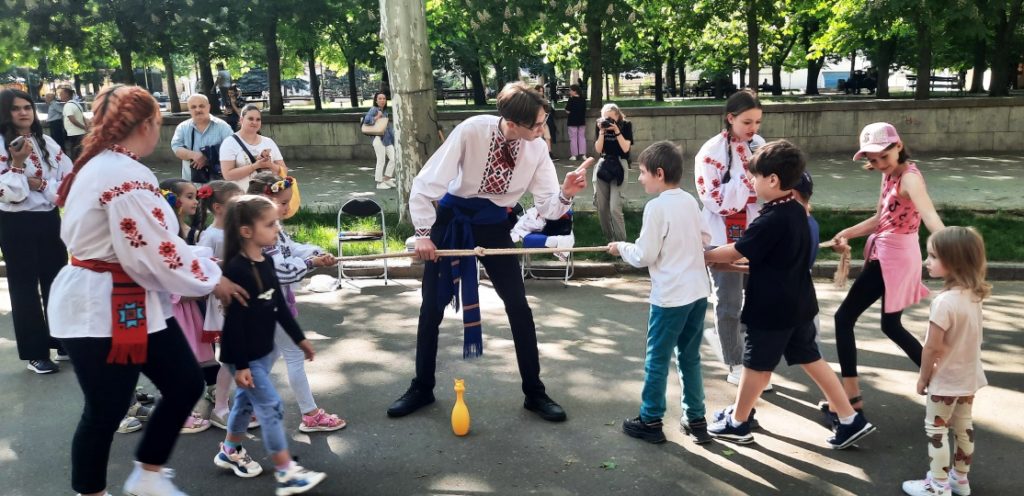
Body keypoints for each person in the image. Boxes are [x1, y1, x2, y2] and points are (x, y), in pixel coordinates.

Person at [46, 84, 246, 496]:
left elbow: (152, 248)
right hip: (101, 307)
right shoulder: (125, 175)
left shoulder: (105, 165)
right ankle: (98, 490)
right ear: (148, 124)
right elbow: (153, 252)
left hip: (128, 300)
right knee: (106, 409)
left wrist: (205, 267)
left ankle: (149, 476)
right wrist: (213, 275)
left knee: (183, 384)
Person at [387, 82, 591, 422]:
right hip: (453, 221)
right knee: (432, 307)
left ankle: (535, 393)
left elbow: (548, 207)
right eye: (537, 124)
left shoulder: (537, 149)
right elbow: (426, 184)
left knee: (519, 306)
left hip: (495, 226)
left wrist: (566, 194)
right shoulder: (472, 130)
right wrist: (423, 234)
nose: (543, 131)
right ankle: (421, 387)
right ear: (512, 122)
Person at [703, 139, 876, 450]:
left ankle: (738, 422)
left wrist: (704, 254)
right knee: (811, 357)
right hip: (798, 303)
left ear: (772, 180)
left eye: (755, 177)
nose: (751, 182)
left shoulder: (771, 219)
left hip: (773, 308)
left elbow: (736, 251)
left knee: (756, 364)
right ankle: (849, 418)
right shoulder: (796, 210)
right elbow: (762, 257)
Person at [828, 122, 946, 416]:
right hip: (892, 251)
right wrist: (847, 232)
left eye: (883, 156)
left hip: (893, 257)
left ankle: (851, 397)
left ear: (898, 145)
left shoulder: (910, 179)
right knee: (890, 325)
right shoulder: (890, 175)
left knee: (843, 319)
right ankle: (943, 386)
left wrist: (949, 250)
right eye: (872, 158)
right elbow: (881, 218)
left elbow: (930, 214)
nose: (878, 163)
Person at [213, 194, 327, 494]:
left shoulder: (266, 264)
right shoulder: (236, 270)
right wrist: (241, 366)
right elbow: (234, 325)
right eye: (270, 223)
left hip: (264, 352)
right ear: (247, 231)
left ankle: (229, 449)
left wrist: (300, 338)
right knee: (271, 406)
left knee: (244, 403)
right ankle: (286, 471)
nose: (277, 228)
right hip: (245, 356)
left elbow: (278, 307)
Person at [608, 141, 713, 445]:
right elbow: (705, 237)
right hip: (697, 292)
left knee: (657, 358)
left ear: (659, 173)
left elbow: (643, 255)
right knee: (689, 356)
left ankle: (650, 419)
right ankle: (696, 418)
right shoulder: (690, 201)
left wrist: (620, 248)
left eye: (642, 173)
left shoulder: (656, 207)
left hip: (670, 297)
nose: (639, 178)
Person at [248, 172, 346, 433]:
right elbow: (280, 271)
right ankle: (310, 414)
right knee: (292, 355)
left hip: (271, 301)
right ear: (264, 199)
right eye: (282, 202)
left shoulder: (272, 229)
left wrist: (316, 252)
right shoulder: (261, 234)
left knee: (267, 358)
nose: (287, 207)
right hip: (268, 303)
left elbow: (291, 249)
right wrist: (311, 263)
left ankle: (247, 410)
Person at [901, 226, 989, 496]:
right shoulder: (974, 296)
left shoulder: (944, 303)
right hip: (968, 378)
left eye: (933, 256)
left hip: (946, 380)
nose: (927, 261)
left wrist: (923, 377)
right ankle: (959, 480)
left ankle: (937, 486)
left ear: (954, 262)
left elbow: (931, 349)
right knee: (964, 427)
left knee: (936, 431)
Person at [694, 89, 768, 389]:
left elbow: (770, 189)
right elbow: (713, 199)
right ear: (730, 118)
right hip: (721, 235)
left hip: (756, 232)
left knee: (758, 299)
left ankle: (752, 358)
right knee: (728, 300)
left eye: (758, 122)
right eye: (747, 122)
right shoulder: (711, 152)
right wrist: (748, 186)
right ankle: (735, 360)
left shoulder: (760, 146)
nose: (753, 128)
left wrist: (751, 189)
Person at [0, 88, 74, 374]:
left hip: (48, 219)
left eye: (27, 107)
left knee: (57, 281)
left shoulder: (48, 143)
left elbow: (65, 184)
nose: (23, 112)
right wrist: (17, 164)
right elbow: (11, 194)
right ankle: (35, 352)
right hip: (15, 223)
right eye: (16, 108)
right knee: (24, 288)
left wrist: (43, 186)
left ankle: (63, 340)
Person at [157, 178, 217, 435]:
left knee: (193, 361)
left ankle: (204, 397)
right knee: (177, 364)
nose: (195, 201)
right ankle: (176, 412)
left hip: (186, 306)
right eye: (189, 196)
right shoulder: (165, 237)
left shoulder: (183, 233)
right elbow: (168, 276)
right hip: (175, 307)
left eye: (196, 196)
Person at [194, 180, 251, 430]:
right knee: (231, 357)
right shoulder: (211, 236)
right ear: (218, 208)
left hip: (240, 298)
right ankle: (220, 407)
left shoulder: (236, 231)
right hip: (225, 303)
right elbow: (202, 269)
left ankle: (242, 404)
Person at [219, 104, 285, 193]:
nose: (254, 122)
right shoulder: (229, 143)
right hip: (242, 197)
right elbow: (227, 175)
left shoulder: (269, 142)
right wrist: (255, 166)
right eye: (250, 119)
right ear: (241, 120)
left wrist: (270, 165)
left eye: (258, 119)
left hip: (269, 197)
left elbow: (284, 170)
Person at [592, 103, 633, 242]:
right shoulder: (600, 125)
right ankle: (609, 242)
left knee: (615, 208)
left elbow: (626, 148)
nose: (607, 120)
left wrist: (616, 130)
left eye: (610, 118)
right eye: (605, 117)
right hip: (604, 164)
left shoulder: (626, 125)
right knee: (602, 207)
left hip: (619, 164)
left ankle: (621, 244)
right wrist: (602, 132)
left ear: (617, 116)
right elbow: (598, 149)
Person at [170, 94, 233, 181]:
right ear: (189, 109)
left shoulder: (222, 127)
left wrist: (208, 158)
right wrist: (193, 155)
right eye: (193, 107)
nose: (198, 110)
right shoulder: (183, 127)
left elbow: (232, 149)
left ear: (208, 107)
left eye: (201, 106)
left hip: (218, 184)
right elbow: (176, 147)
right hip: (190, 184)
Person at [362, 92, 396, 189]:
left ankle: (387, 178)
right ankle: (379, 182)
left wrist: (394, 140)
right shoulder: (374, 109)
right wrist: (377, 117)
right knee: (381, 160)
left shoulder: (385, 112)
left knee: (394, 159)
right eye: (380, 99)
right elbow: (366, 120)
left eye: (384, 98)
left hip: (387, 140)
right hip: (378, 138)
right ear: (376, 100)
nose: (382, 100)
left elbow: (388, 128)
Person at [60, 87, 88, 160]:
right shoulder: (76, 103)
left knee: (75, 153)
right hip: (79, 132)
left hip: (74, 133)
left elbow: (72, 119)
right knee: (79, 151)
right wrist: (85, 127)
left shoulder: (68, 105)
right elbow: (82, 117)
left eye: (61, 94)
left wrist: (83, 127)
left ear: (66, 94)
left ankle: (75, 168)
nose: (60, 96)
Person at [564, 84, 587, 161]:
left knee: (573, 138)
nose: (569, 92)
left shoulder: (571, 99)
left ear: (574, 91)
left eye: (570, 90)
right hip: (581, 121)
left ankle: (574, 155)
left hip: (572, 121)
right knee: (582, 138)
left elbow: (567, 111)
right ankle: (583, 154)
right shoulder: (583, 99)